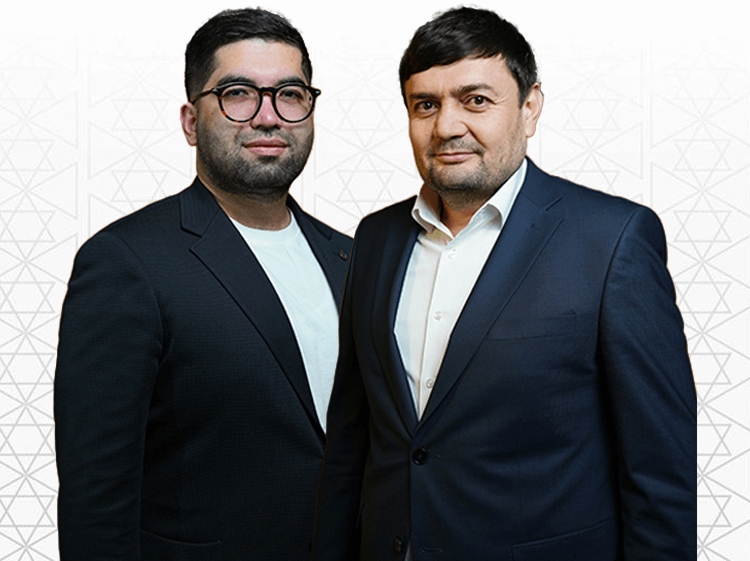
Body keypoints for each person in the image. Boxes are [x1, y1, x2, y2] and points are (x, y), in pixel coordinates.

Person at [312, 7, 696, 561]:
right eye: (425, 105)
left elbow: (659, 470)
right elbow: (351, 440)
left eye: (475, 100)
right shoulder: (375, 239)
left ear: (530, 107)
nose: (447, 127)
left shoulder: (613, 240)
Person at [54, 8, 351, 560]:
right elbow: (95, 497)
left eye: (290, 95)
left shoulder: (352, 257)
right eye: (238, 94)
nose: (268, 117)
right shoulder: (126, 261)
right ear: (191, 122)